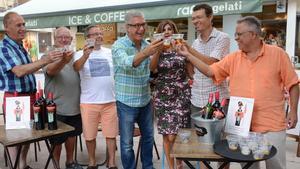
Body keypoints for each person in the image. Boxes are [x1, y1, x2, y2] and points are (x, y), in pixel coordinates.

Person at [178, 16, 299, 169]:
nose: (235, 38)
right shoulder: (233, 58)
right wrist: (188, 55)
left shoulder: (278, 54)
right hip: (242, 126)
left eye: (239, 34)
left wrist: (293, 111)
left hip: (272, 125)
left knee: (276, 166)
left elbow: (293, 84)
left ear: (253, 34)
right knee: (248, 167)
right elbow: (210, 71)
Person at [0, 12, 61, 169]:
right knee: (16, 137)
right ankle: (16, 166)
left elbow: (28, 69)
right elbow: (19, 71)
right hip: (16, 98)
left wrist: (44, 61)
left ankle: (22, 164)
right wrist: (44, 60)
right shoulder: (4, 47)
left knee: (27, 135)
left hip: (29, 96)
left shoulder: (19, 46)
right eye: (18, 25)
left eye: (24, 24)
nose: (23, 28)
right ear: (6, 27)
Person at [111, 10, 163, 169]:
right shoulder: (119, 45)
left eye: (143, 25)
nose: (141, 28)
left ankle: (148, 166)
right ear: (127, 27)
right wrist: (146, 53)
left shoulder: (148, 45)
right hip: (126, 102)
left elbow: (151, 70)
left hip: (145, 100)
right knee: (127, 143)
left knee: (148, 137)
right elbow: (128, 62)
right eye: (136, 25)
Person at [73, 25, 118, 169]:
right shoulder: (79, 53)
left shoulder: (110, 53)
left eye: (100, 33)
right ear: (88, 38)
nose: (99, 36)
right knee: (89, 135)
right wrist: (86, 55)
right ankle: (92, 161)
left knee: (111, 134)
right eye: (95, 34)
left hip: (110, 100)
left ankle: (111, 162)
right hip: (89, 101)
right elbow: (76, 68)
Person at [150, 20, 192, 169]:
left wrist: (187, 54)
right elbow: (152, 69)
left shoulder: (182, 47)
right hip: (162, 95)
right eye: (164, 30)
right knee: (166, 135)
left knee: (175, 134)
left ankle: (179, 163)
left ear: (174, 32)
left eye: (170, 29)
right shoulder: (157, 48)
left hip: (181, 94)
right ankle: (171, 166)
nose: (167, 32)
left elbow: (191, 73)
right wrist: (158, 51)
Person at [43, 27, 83, 169]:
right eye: (60, 37)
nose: (64, 40)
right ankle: (56, 166)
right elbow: (51, 71)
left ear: (72, 40)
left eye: (67, 37)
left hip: (75, 105)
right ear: (55, 39)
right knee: (57, 140)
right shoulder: (49, 55)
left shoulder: (77, 55)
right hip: (56, 107)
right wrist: (64, 61)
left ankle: (70, 162)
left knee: (72, 135)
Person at [187, 4, 230, 115]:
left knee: (216, 132)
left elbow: (212, 63)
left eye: (199, 17)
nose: (195, 21)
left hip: (217, 100)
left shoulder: (222, 38)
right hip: (196, 99)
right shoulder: (196, 42)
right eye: (193, 18)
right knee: (197, 132)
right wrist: (193, 77)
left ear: (210, 17)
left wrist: (189, 51)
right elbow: (190, 66)